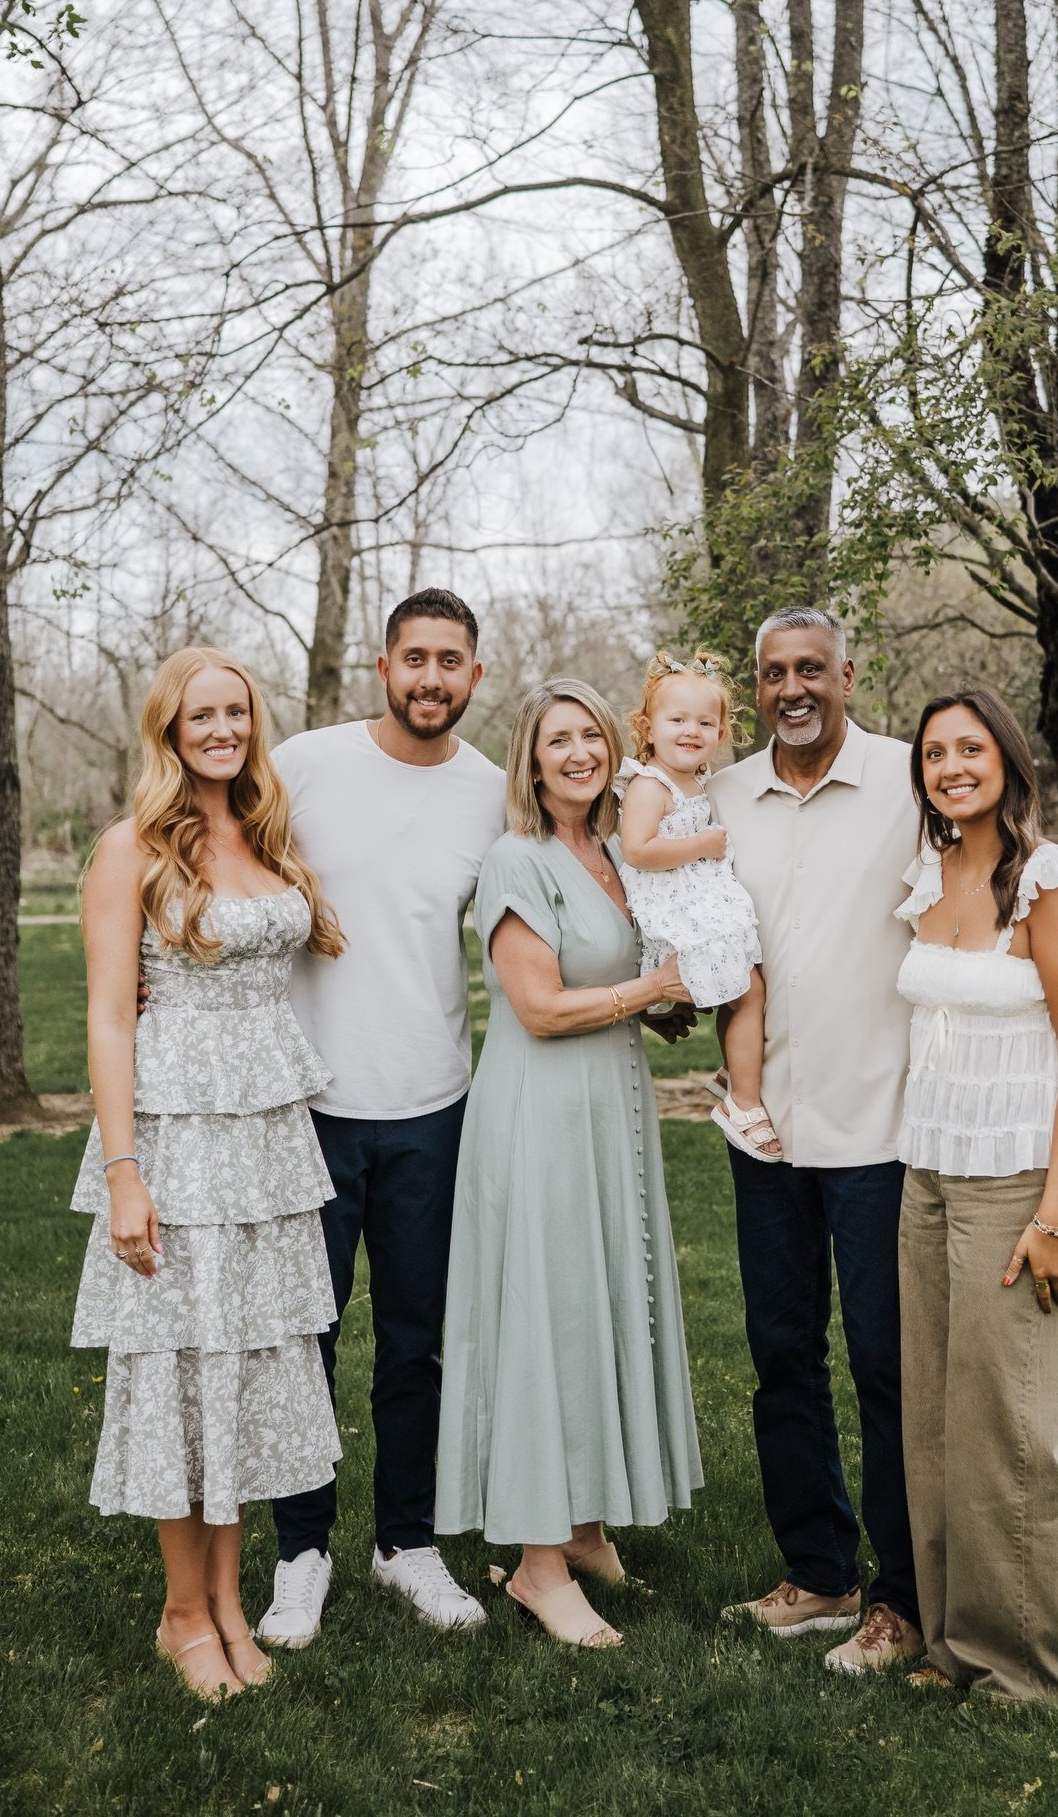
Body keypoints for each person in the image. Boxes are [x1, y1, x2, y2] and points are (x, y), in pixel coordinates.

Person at [708, 608, 1058, 1675]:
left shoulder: (912, 786)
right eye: (773, 673)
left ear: (848, 673)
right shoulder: (720, 800)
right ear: (755, 686)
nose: (793, 687)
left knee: (896, 1375)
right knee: (780, 1358)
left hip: (889, 1130)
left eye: (813, 668)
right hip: (765, 1130)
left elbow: (1050, 905)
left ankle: (905, 1603)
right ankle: (819, 1571)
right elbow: (703, 934)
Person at [71, 647, 345, 1700]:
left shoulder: (268, 834)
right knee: (180, 1369)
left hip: (267, 1145)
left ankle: (231, 1602)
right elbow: (104, 1016)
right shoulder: (129, 848)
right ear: (170, 730)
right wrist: (126, 1173)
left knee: (245, 1367)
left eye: (237, 711)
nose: (222, 728)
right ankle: (181, 1612)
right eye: (202, 715)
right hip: (175, 1138)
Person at [256, 588, 506, 1647]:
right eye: (416, 658)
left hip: (433, 1106)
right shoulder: (305, 763)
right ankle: (300, 1551)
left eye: (452, 661)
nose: (432, 678)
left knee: (416, 1344)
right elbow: (206, 854)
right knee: (305, 1338)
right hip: (310, 1104)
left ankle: (406, 1542)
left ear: (474, 677)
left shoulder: (495, 792)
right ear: (383, 664)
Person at [434, 678, 704, 1649]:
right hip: (539, 1113)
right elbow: (540, 1007)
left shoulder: (615, 854)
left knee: (598, 1305)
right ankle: (537, 1567)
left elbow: (623, 980)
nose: (580, 753)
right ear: (532, 760)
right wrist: (650, 987)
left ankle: (583, 1527)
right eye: (559, 740)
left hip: (611, 1103)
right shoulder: (519, 859)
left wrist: (671, 1001)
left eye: (592, 734)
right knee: (547, 1320)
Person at [894, 689, 1058, 1700]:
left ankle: (1032, 1668)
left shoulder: (1050, 880)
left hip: (1015, 1181)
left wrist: (1056, 1215)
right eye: (935, 753)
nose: (952, 765)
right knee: (939, 1424)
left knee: (1014, 1432)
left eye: (970, 747)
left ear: (1009, 759)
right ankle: (955, 1643)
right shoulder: (930, 874)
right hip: (929, 1175)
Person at [616, 649, 776, 1161]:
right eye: (677, 719)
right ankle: (743, 1103)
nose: (692, 730)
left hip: (702, 901)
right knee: (748, 993)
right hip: (677, 909)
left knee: (744, 987)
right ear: (647, 727)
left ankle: (736, 1068)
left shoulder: (698, 783)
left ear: (722, 730)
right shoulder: (649, 784)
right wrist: (703, 845)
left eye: (706, 721)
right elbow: (638, 849)